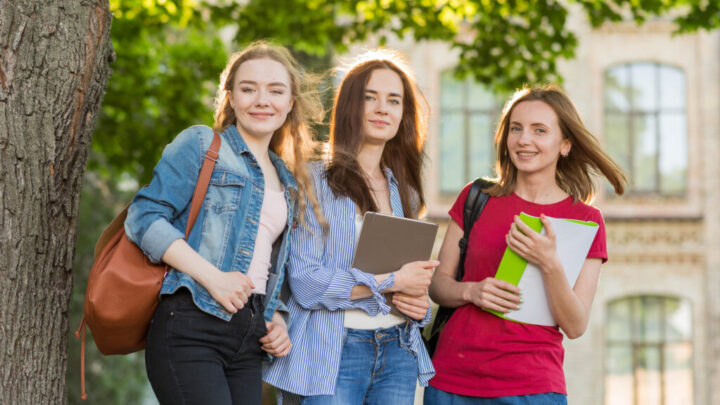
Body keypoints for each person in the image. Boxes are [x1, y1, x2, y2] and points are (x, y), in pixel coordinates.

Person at [123, 42, 323, 405]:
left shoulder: (286, 178)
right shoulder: (202, 144)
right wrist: (213, 278)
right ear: (230, 98)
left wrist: (278, 318)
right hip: (191, 326)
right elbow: (143, 217)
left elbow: (267, 265)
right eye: (248, 89)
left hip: (249, 339)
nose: (262, 100)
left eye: (275, 91)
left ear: (291, 102)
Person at [425, 85, 627, 405]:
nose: (524, 140)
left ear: (565, 144)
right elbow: (438, 286)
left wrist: (549, 264)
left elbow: (575, 325)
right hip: (452, 381)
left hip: (532, 388)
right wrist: (471, 291)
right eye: (516, 129)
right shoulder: (476, 198)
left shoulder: (585, 220)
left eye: (539, 130)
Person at [264, 50, 436, 404]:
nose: (382, 109)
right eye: (370, 97)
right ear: (350, 107)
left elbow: (407, 283)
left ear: (403, 114)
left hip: (398, 351)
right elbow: (307, 283)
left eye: (393, 100)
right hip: (334, 351)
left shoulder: (406, 191)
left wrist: (417, 304)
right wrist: (390, 283)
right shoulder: (312, 180)